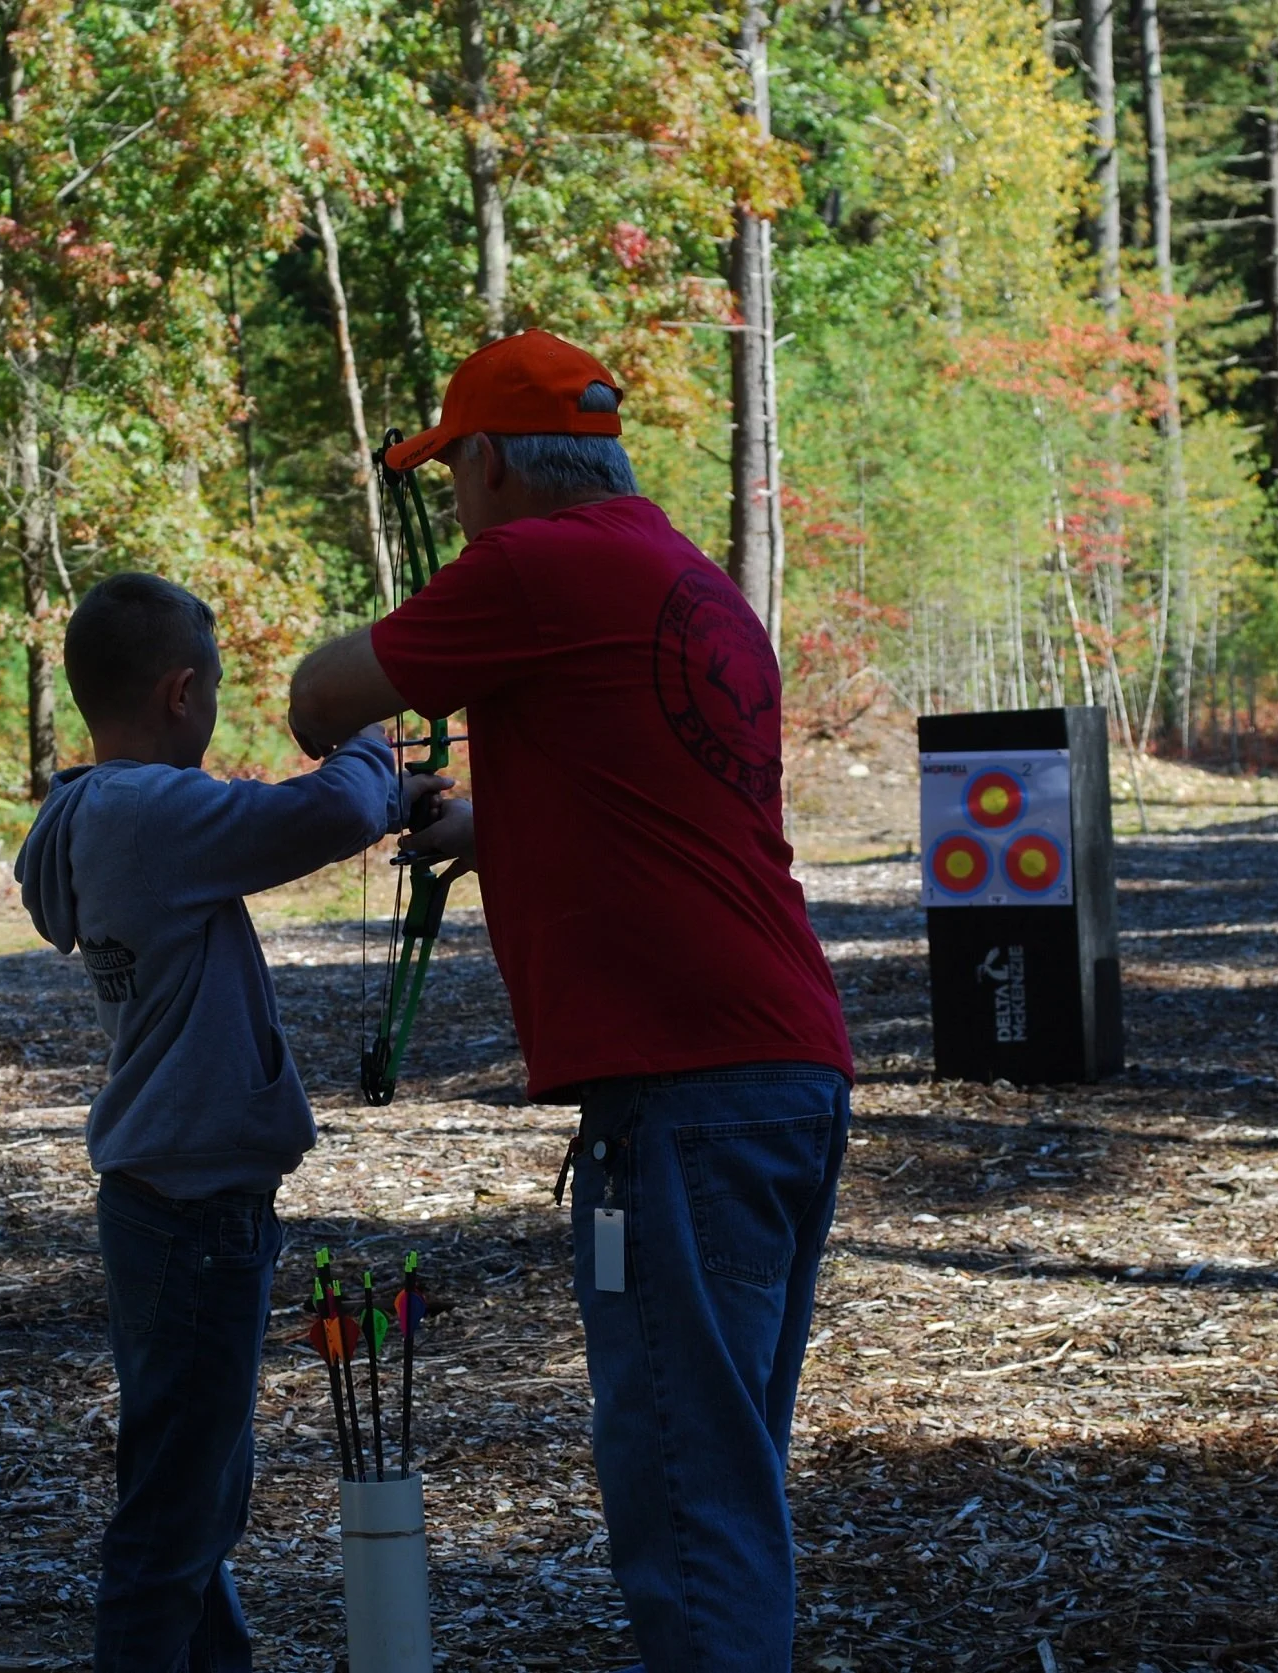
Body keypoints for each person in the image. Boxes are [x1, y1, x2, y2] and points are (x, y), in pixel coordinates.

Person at [288, 330, 855, 1673]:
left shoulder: (536, 566)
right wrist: (492, 822)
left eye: (452, 471)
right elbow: (656, 805)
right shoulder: (684, 576)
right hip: (775, 1071)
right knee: (723, 1468)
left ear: (489, 461)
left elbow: (320, 701)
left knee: (686, 1496)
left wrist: (365, 741)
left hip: (685, 1095)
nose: (456, 503)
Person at [15, 572, 428, 1673]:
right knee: (173, 1514)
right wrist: (369, 731)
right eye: (215, 694)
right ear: (180, 690)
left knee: (194, 1491)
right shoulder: (144, 811)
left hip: (173, 1201)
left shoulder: (93, 812)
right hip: (193, 1210)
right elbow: (332, 809)